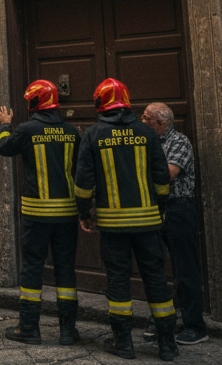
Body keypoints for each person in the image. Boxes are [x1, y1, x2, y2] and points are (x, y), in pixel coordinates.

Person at [75, 78, 177, 361]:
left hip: (113, 225)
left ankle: (123, 344)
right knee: (156, 279)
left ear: (100, 103)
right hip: (148, 222)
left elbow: (83, 183)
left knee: (118, 281)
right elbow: (161, 179)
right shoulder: (146, 132)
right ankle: (167, 345)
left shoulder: (93, 134)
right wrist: (160, 210)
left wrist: (84, 214)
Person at [0, 80, 81, 346]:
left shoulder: (27, 129)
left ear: (35, 103)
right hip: (67, 213)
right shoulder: (72, 131)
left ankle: (29, 328)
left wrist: (5, 125)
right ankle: (68, 331)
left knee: (33, 268)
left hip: (37, 213)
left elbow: (4, 148)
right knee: (65, 270)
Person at [141, 102, 208, 345]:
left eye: (146, 118)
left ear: (159, 122)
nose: (142, 121)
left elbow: (168, 174)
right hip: (154, 209)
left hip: (177, 208)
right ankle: (163, 322)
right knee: (155, 267)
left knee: (185, 269)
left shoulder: (179, 141)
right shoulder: (146, 142)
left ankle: (195, 326)